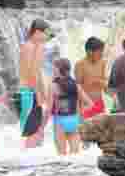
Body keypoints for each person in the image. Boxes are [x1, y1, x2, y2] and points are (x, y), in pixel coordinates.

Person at [18, 19, 53, 149]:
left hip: (30, 91)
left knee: (34, 131)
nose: (47, 38)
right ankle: (26, 159)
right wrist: (38, 93)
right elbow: (30, 72)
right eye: (46, 34)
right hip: (29, 92)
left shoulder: (34, 46)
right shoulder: (30, 47)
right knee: (31, 132)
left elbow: (37, 71)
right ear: (37, 32)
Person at [51, 58, 93, 155]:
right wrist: (80, 112)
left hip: (60, 121)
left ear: (58, 69)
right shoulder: (75, 85)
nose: (52, 71)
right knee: (75, 156)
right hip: (74, 121)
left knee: (61, 156)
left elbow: (49, 108)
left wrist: (41, 127)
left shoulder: (53, 86)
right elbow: (90, 104)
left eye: (54, 68)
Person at [76, 37, 108, 120]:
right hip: (85, 105)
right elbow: (77, 87)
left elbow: (105, 84)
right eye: (99, 52)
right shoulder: (80, 65)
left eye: (102, 51)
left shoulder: (102, 63)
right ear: (89, 52)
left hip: (99, 102)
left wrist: (101, 82)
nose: (101, 54)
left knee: (100, 129)